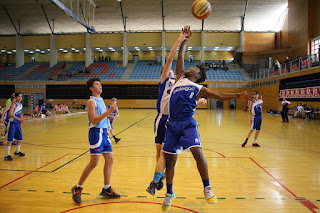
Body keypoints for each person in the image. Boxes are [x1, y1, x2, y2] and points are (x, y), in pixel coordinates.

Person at [161, 29, 254, 212]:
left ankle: (207, 188)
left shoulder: (199, 88)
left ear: (198, 76)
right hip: (171, 125)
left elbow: (219, 96)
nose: (191, 67)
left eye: (194, 68)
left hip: (187, 123)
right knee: (170, 162)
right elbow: (181, 54)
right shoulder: (179, 78)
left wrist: (238, 94)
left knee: (197, 153)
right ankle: (169, 193)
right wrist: (184, 40)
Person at [146, 26, 191, 196]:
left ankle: (157, 179)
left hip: (174, 121)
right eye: (169, 70)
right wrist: (179, 40)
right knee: (160, 154)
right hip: (162, 119)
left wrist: (185, 42)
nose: (171, 70)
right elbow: (171, 60)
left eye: (173, 71)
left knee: (169, 155)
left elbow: (180, 63)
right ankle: (159, 177)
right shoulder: (165, 80)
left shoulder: (179, 81)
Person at [71, 78, 120, 204]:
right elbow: (93, 120)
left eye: (100, 84)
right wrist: (108, 112)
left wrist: (109, 116)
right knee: (94, 163)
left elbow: (101, 116)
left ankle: (106, 188)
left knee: (110, 160)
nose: (100, 86)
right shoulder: (91, 101)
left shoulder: (101, 100)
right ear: (91, 88)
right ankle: (77, 187)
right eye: (97, 84)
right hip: (96, 133)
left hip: (104, 132)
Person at [4, 93, 25, 161]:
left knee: (19, 138)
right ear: (15, 97)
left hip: (17, 124)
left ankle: (17, 151)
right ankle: (7, 155)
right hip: (12, 123)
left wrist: (21, 119)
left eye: (21, 96)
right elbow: (10, 114)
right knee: (10, 139)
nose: (20, 98)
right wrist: (19, 119)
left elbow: (19, 113)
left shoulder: (21, 105)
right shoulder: (13, 104)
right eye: (18, 96)